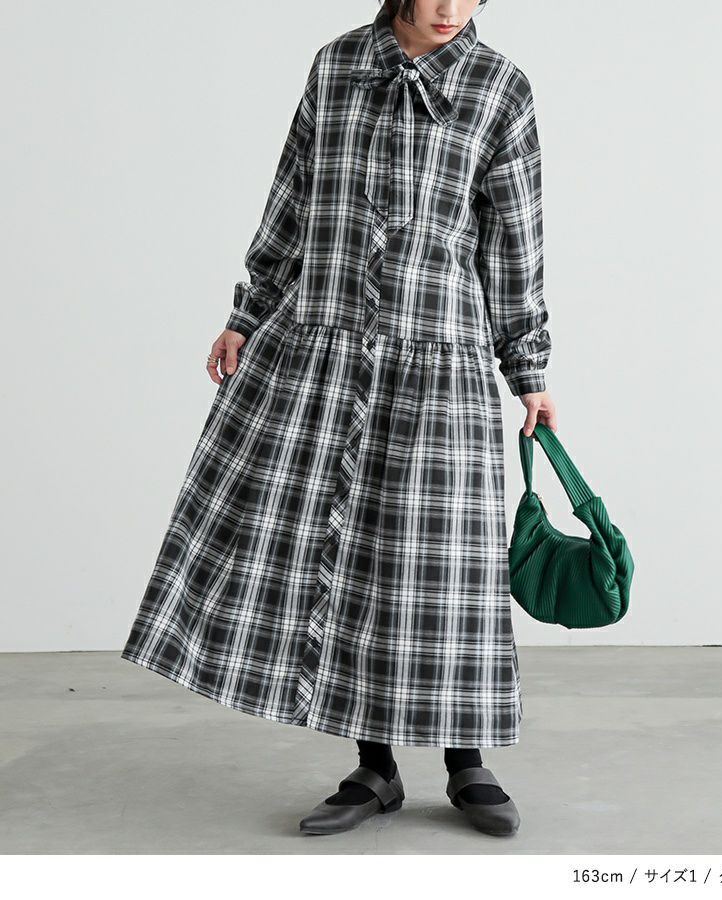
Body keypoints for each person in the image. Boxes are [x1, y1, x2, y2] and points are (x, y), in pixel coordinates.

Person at [121, 0, 557, 839]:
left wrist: (527, 367)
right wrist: (247, 314)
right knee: (348, 556)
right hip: (324, 342)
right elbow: (291, 199)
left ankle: (466, 762)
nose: (450, 7)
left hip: (439, 353)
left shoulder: (500, 86)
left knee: (441, 567)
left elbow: (515, 235)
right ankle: (375, 768)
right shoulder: (336, 65)